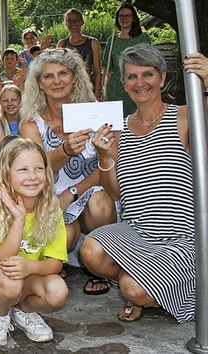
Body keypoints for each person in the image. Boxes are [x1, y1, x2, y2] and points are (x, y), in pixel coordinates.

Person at [82, 43, 196, 324]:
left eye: (148, 74)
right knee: (90, 250)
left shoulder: (184, 116)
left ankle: (151, 288)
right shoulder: (118, 129)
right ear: (123, 82)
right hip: (137, 231)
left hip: (181, 236)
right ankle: (154, 285)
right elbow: (114, 192)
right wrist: (105, 155)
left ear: (162, 78)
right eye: (132, 76)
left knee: (132, 288)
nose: (140, 83)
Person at [19, 48, 116, 292]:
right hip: (52, 196)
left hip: (92, 190)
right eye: (49, 76)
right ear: (39, 83)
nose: (57, 81)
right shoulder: (31, 124)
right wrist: (65, 150)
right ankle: (58, 262)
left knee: (101, 203)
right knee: (66, 237)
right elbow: (35, 169)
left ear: (75, 78)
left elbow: (110, 164)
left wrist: (72, 191)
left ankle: (100, 268)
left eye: (63, 73)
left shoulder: (97, 113)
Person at [0, 138, 68, 346]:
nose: (32, 177)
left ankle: (22, 311)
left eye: (39, 169)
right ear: (7, 175)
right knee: (10, 281)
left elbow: (56, 263)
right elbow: (2, 261)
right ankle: (0, 314)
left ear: (47, 173)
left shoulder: (52, 209)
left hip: (27, 277)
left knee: (58, 291)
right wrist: (19, 219)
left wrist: (30, 266)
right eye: (22, 169)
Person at [101, 3, 150, 117]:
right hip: (116, 88)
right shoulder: (111, 41)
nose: (124, 19)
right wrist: (104, 91)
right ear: (117, 19)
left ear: (133, 18)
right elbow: (107, 69)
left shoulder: (143, 39)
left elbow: (150, 65)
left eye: (128, 16)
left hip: (137, 85)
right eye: (121, 16)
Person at [57, 8, 102, 99]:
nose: (73, 23)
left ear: (82, 22)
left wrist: (96, 96)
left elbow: (97, 72)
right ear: (66, 24)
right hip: (68, 91)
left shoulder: (93, 42)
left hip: (89, 89)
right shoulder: (61, 44)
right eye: (70, 20)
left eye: (76, 20)